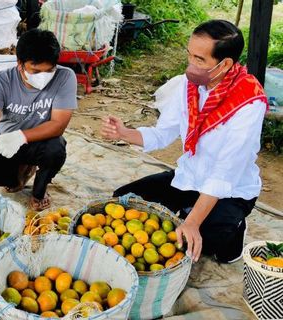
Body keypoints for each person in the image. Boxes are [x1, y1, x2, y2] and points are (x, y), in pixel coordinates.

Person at [101, 20, 267, 264]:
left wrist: (192, 223)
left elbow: (224, 174)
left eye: (200, 60)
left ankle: (233, 229)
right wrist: (125, 133)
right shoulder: (187, 86)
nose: (191, 65)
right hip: (189, 178)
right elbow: (162, 134)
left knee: (196, 241)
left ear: (226, 64)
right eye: (189, 55)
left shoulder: (249, 103)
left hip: (231, 191)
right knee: (124, 200)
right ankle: (189, 210)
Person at [0, 29, 78, 211]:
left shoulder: (65, 77)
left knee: (56, 149)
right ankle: (19, 173)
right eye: (35, 71)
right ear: (19, 63)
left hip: (38, 141)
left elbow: (58, 124)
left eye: (50, 70)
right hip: (4, 142)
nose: (43, 77)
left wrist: (22, 136)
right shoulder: (1, 82)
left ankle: (39, 192)